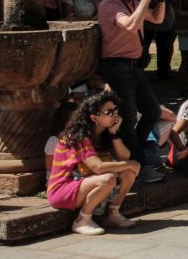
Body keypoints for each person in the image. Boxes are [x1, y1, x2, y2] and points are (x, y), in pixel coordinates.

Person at [94, 0, 168, 181]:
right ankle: (138, 164)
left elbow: (156, 18)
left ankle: (129, 152)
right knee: (127, 117)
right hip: (117, 66)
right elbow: (130, 25)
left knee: (153, 111)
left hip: (133, 66)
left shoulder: (130, 1)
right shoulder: (109, 4)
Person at [47, 90, 140, 234]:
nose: (115, 114)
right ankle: (82, 220)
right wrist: (129, 164)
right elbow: (97, 167)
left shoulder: (103, 133)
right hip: (62, 190)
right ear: (94, 117)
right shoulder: (78, 136)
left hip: (83, 183)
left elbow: (124, 157)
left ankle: (112, 214)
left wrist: (115, 133)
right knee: (108, 178)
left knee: (128, 172)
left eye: (115, 109)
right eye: (109, 112)